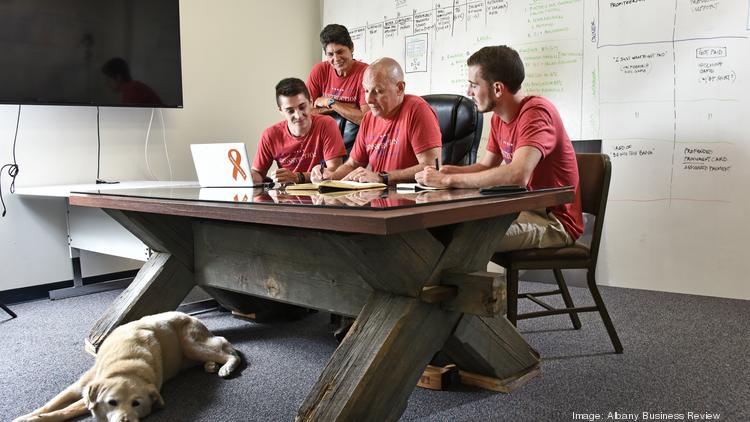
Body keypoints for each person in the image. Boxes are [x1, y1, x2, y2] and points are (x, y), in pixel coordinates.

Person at [415, 45, 584, 251]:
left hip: (554, 222)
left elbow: (518, 175)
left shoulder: (537, 113)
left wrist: (448, 180)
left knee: (465, 240)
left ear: (497, 88)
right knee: (446, 229)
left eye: (473, 85)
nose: (468, 92)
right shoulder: (498, 118)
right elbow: (486, 166)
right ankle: (472, 283)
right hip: (522, 210)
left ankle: (488, 285)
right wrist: (448, 171)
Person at [311, 57, 442, 186]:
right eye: (366, 91)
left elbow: (431, 167)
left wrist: (382, 177)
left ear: (400, 88)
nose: (369, 99)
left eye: (378, 91)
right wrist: (330, 177)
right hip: (376, 200)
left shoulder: (417, 110)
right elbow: (351, 165)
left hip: (409, 201)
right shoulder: (368, 118)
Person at [251, 78, 347, 185]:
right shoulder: (270, 135)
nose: (298, 115)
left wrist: (298, 177)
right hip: (287, 197)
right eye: (290, 111)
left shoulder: (327, 124)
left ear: (310, 102)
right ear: (281, 111)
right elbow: (258, 173)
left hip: (322, 194)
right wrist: (247, 176)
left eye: (302, 107)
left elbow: (334, 172)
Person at [307, 24, 369, 125]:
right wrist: (349, 108)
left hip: (354, 139)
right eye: (330, 54)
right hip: (323, 134)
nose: (336, 59)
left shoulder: (366, 73)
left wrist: (330, 102)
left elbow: (366, 119)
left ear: (351, 48)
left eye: (340, 52)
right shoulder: (319, 70)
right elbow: (306, 113)